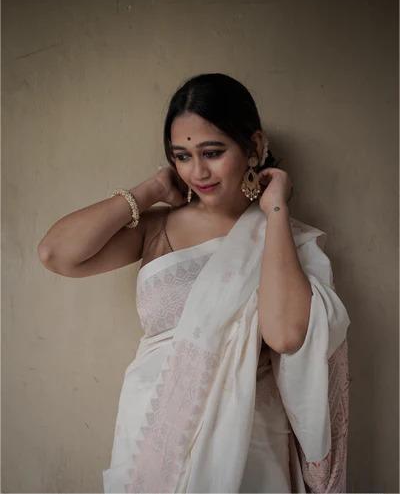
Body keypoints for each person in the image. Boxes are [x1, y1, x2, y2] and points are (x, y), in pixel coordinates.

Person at [38, 73, 351, 493]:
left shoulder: (287, 241)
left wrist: (275, 208)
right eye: (182, 156)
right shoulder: (157, 228)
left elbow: (286, 334)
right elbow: (56, 254)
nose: (197, 171)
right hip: (150, 437)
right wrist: (149, 190)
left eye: (212, 152)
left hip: (245, 448)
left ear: (254, 146)